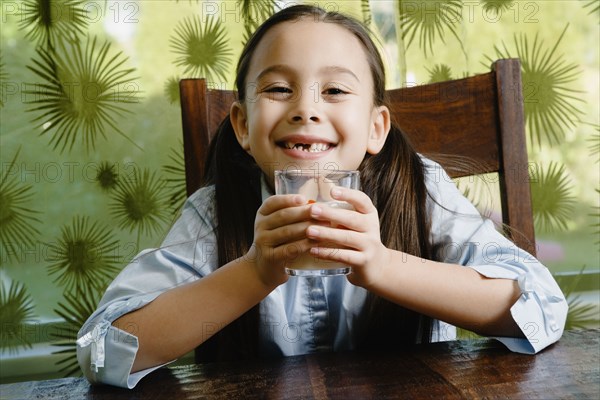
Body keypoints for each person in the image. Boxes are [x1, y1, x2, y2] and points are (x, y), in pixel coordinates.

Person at [77, 5, 567, 389]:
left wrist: (382, 265)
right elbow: (104, 350)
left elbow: (541, 307)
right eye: (277, 88)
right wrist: (254, 272)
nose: (306, 108)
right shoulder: (217, 211)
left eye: (334, 90)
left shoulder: (417, 188)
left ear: (376, 128)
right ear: (244, 126)